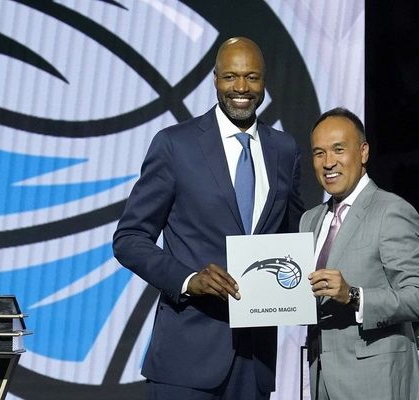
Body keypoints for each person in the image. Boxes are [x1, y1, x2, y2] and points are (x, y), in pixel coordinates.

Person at [113, 37, 303, 400]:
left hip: (255, 362)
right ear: (215, 79)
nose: (241, 88)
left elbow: (293, 235)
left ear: (264, 82)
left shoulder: (284, 149)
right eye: (231, 76)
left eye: (252, 77)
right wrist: (189, 280)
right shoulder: (175, 145)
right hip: (185, 358)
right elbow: (129, 238)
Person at [302, 107, 419, 400]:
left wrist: (354, 296)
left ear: (363, 152)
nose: (328, 162)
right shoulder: (310, 220)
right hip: (321, 381)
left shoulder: (392, 211)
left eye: (339, 149)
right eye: (319, 153)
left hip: (377, 383)